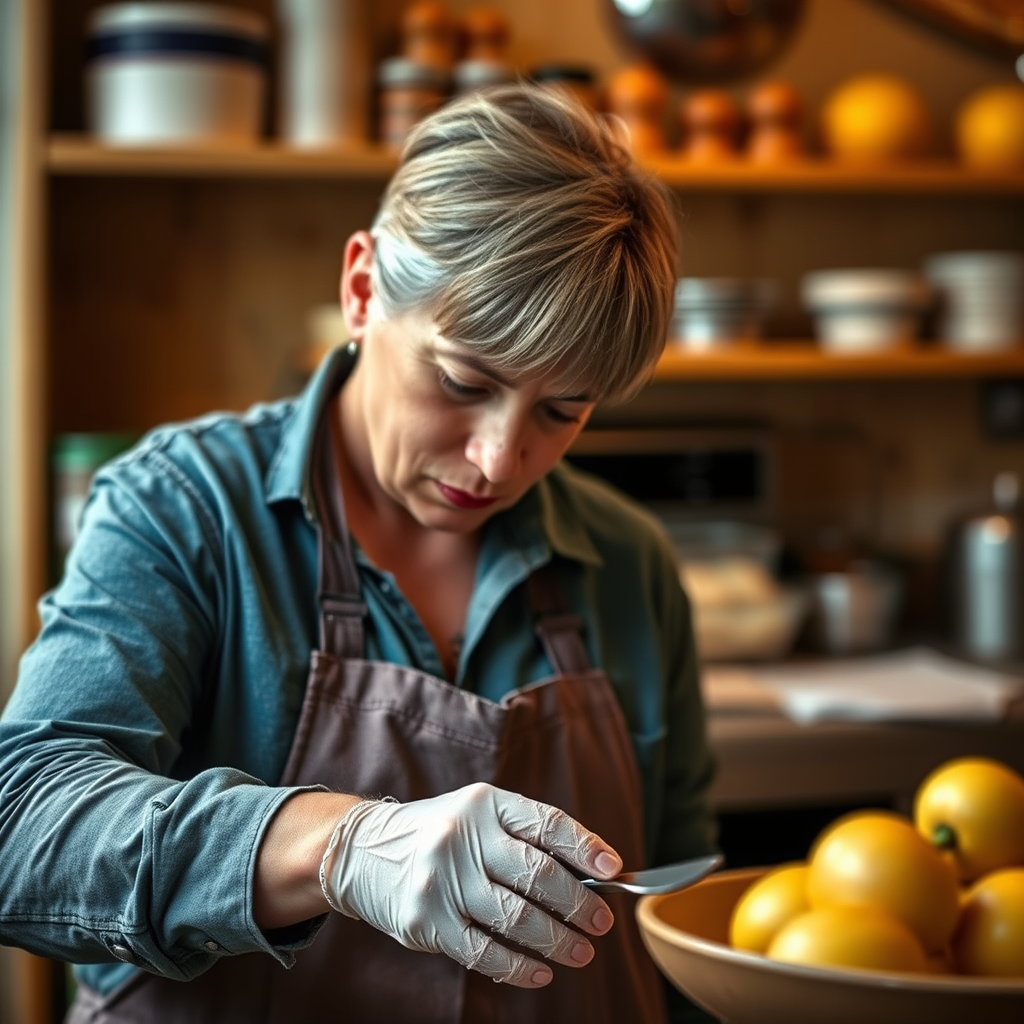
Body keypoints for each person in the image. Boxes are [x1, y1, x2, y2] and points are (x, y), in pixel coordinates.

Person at [0, 83, 717, 1023]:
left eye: (561, 411)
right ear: (361, 288)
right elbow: (24, 829)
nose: (499, 459)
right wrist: (338, 847)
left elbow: (680, 920)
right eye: (464, 380)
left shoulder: (629, 563)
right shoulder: (184, 508)